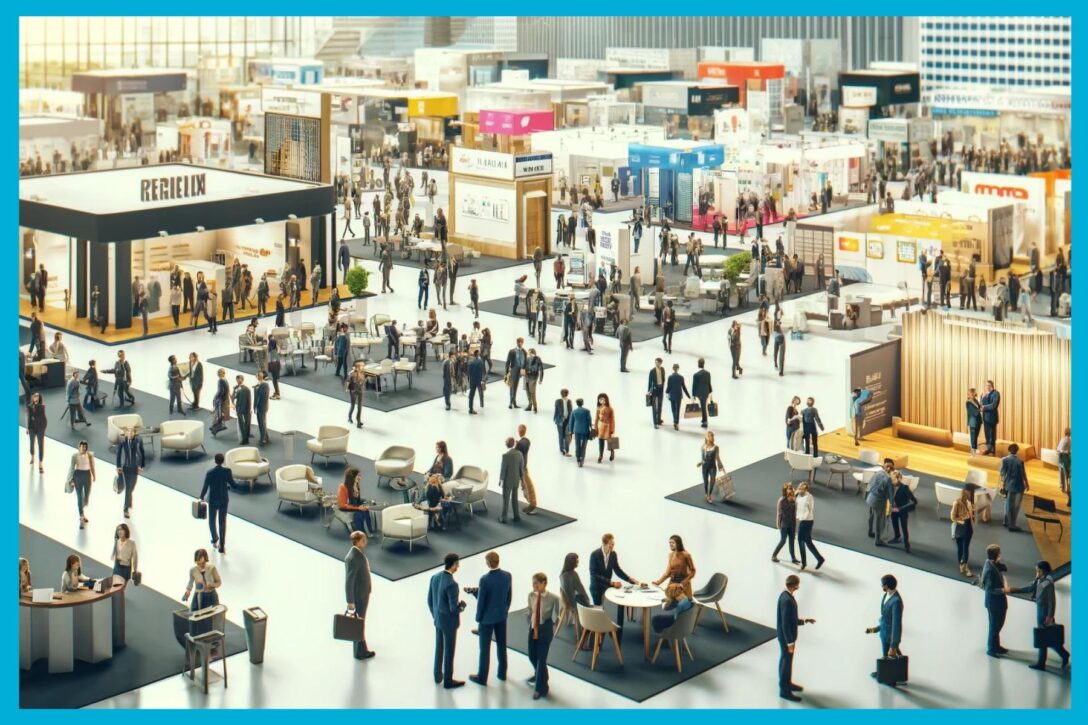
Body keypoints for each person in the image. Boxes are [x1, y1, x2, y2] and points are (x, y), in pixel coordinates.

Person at [1009, 560, 1070, 671]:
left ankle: (1041, 663)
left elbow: (1052, 601)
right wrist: (1013, 590)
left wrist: (1050, 616)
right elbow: (1028, 588)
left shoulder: (1048, 583)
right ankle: (1063, 654)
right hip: (1040, 611)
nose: (1036, 573)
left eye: (1038, 571)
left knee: (1043, 637)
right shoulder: (1039, 580)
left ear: (1044, 571)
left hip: (1045, 614)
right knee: (1048, 637)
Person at [465, 551, 512, 686]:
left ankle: (482, 677)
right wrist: (505, 610)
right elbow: (509, 595)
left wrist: (478, 618)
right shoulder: (507, 576)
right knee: (502, 645)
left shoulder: (484, 580)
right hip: (501, 616)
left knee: (484, 649)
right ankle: (502, 673)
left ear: (487, 563)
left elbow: (481, 602)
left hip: (486, 619)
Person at [428, 553, 466, 689]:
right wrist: (461, 606)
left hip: (438, 620)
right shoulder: (452, 584)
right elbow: (453, 609)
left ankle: (437, 675)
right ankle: (448, 680)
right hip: (449, 623)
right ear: (454, 564)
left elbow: (430, 601)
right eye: (458, 564)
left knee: (439, 647)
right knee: (449, 651)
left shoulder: (435, 577)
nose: (458, 567)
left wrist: (435, 615)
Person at [589, 533, 639, 634]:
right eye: (610, 544)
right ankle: (595, 635)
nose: (612, 546)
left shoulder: (613, 554)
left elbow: (617, 569)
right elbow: (594, 574)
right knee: (598, 611)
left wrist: (629, 579)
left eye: (613, 544)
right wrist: (611, 583)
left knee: (607, 609)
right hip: (596, 587)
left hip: (607, 586)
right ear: (604, 543)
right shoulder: (594, 554)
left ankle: (613, 631)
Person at [777, 574, 815, 701]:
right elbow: (785, 624)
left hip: (787, 638)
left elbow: (790, 619)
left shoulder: (785, 596)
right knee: (786, 662)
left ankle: (787, 683)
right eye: (798, 583)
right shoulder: (787, 600)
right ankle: (784, 690)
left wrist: (805, 621)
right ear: (795, 585)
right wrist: (790, 642)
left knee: (786, 661)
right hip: (787, 639)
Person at [525, 572, 560, 700]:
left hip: (545, 630)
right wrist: (530, 622)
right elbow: (529, 610)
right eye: (533, 583)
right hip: (533, 628)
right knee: (531, 655)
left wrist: (551, 624)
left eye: (536, 583)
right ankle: (542, 675)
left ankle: (540, 688)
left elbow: (557, 616)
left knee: (541, 659)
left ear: (544, 583)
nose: (534, 585)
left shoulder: (553, 598)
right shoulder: (531, 595)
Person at [864, 574, 904, 679]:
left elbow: (896, 624)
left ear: (886, 586)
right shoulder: (886, 595)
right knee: (885, 656)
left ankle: (891, 677)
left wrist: (894, 645)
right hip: (884, 632)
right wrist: (875, 629)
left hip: (890, 636)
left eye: (882, 584)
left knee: (891, 657)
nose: (881, 586)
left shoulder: (896, 602)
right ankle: (883, 672)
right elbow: (885, 618)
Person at [344, 531, 375, 659]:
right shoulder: (353, 558)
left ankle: (361, 649)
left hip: (362, 593)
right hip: (359, 596)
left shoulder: (357, 553)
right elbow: (349, 581)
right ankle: (359, 651)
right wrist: (350, 601)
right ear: (357, 541)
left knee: (360, 622)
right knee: (359, 623)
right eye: (363, 540)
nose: (365, 542)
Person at [200, 453, 235, 554]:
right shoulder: (227, 471)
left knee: (211, 520)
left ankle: (215, 539)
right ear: (223, 461)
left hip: (212, 499)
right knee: (222, 522)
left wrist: (201, 496)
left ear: (215, 461)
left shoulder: (210, 472)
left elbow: (205, 487)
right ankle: (222, 546)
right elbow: (232, 484)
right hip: (224, 499)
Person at [981, 544, 1010, 657]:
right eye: (999, 553)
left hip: (997, 601)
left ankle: (996, 646)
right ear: (996, 555)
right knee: (995, 625)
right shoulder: (989, 570)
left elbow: (1003, 567)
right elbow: (990, 589)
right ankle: (991, 648)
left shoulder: (992, 564)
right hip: (994, 602)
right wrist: (1004, 590)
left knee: (996, 625)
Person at [651, 535, 696, 599]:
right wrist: (658, 582)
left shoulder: (686, 555)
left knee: (682, 605)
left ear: (678, 543)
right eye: (669, 543)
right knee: (669, 604)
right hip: (672, 584)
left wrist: (683, 583)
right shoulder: (671, 555)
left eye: (673, 542)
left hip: (683, 585)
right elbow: (667, 573)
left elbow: (693, 571)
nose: (670, 544)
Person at [65, 441, 96, 529]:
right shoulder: (74, 456)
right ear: (79, 447)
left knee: (86, 497)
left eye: (84, 447)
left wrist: (94, 475)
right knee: (79, 497)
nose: (83, 448)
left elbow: (92, 466)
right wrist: (71, 479)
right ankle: (81, 516)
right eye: (81, 446)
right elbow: (71, 468)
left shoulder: (89, 455)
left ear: (86, 448)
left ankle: (82, 509)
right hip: (78, 475)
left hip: (87, 475)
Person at [794, 482, 825, 570]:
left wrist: (802, 518)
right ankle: (820, 559)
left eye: (802, 488)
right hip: (802, 520)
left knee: (800, 541)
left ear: (806, 489)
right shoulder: (798, 495)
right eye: (799, 488)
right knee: (808, 542)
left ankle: (804, 563)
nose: (800, 490)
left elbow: (810, 510)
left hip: (807, 521)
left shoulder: (809, 497)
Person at [115, 427, 144, 519]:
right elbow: (118, 455)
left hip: (134, 468)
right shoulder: (122, 442)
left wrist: (140, 466)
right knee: (128, 488)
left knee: (132, 487)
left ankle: (127, 502)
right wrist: (118, 466)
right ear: (126, 433)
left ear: (134, 433)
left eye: (132, 431)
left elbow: (141, 454)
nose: (130, 433)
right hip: (126, 468)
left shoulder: (137, 442)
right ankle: (126, 508)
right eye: (129, 431)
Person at [1000, 444, 1029, 531]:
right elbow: (1023, 474)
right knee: (1016, 507)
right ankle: (1012, 524)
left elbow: (1002, 474)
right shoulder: (1020, 461)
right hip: (1019, 486)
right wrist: (1027, 483)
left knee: (1008, 505)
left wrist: (1004, 484)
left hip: (1009, 485)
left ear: (1008, 451)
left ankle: (1007, 522)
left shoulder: (1004, 460)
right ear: (1017, 451)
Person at [866, 459, 895, 546]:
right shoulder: (889, 479)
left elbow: (870, 483)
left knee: (871, 516)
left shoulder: (877, 473)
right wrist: (892, 506)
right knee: (880, 521)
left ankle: (870, 531)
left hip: (870, 498)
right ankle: (878, 541)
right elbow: (891, 495)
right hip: (879, 502)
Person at [339, 468, 375, 536]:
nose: (360, 478)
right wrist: (358, 508)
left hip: (353, 504)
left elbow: (357, 499)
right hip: (345, 508)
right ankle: (361, 533)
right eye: (358, 476)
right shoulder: (343, 487)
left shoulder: (356, 484)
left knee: (366, 509)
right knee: (359, 514)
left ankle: (369, 530)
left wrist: (366, 503)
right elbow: (343, 505)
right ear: (352, 476)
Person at [771, 483, 800, 563]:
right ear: (785, 490)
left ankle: (793, 558)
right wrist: (793, 502)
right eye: (789, 488)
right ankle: (774, 555)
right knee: (783, 541)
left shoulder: (793, 498)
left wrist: (794, 501)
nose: (790, 490)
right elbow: (782, 512)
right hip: (784, 524)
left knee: (792, 541)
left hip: (792, 524)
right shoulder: (782, 500)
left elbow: (795, 512)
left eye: (791, 488)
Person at [498, 437, 525, 524]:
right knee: (514, 499)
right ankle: (516, 516)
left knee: (506, 499)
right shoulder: (520, 454)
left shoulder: (505, 456)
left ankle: (504, 517)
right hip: (516, 480)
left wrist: (500, 480)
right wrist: (522, 480)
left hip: (507, 481)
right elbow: (521, 469)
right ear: (514, 443)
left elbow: (503, 470)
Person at [889, 472, 917, 553]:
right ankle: (896, 537)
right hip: (893, 510)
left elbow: (914, 502)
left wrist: (899, 509)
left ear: (899, 479)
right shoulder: (890, 486)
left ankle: (906, 545)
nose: (891, 481)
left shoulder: (905, 488)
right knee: (895, 524)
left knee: (904, 528)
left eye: (893, 480)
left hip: (902, 511)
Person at [26, 392, 46, 474]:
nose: (36, 397)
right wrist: (27, 428)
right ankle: (32, 457)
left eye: (37, 395)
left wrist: (44, 427)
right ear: (32, 397)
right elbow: (28, 417)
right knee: (32, 443)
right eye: (34, 395)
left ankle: (40, 464)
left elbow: (42, 416)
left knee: (41, 445)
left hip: (41, 427)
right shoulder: (29, 406)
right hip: (32, 428)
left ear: (39, 397)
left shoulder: (42, 406)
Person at [690, 358, 713, 429]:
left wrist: (693, 395)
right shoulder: (708, 373)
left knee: (703, 406)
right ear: (704, 364)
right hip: (706, 392)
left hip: (699, 393)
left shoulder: (696, 375)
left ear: (698, 364)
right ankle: (703, 419)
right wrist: (710, 392)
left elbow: (694, 385)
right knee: (703, 406)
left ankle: (705, 422)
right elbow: (709, 383)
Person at [504, 338, 527, 409]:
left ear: (523, 343)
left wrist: (524, 369)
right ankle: (511, 402)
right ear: (517, 342)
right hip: (513, 370)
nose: (520, 343)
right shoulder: (512, 351)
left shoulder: (524, 351)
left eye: (521, 342)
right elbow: (507, 362)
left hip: (520, 371)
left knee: (515, 387)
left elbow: (525, 361)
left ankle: (514, 402)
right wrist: (506, 372)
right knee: (512, 386)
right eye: (519, 342)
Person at [980, 380, 1001, 456]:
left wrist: (984, 407)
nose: (987, 386)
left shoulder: (996, 393)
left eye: (988, 385)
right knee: (987, 435)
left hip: (992, 418)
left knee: (992, 435)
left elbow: (994, 405)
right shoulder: (984, 394)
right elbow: (981, 405)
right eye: (986, 385)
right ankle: (988, 449)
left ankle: (992, 450)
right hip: (985, 417)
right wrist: (982, 397)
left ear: (992, 385)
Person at [570, 398, 593, 467]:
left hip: (577, 430)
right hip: (585, 430)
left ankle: (578, 459)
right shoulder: (587, 411)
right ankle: (582, 460)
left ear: (577, 403)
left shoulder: (574, 411)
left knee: (577, 445)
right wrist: (591, 428)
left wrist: (571, 431)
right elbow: (590, 421)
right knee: (584, 446)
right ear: (582, 403)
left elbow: (571, 422)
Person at [594, 393, 616, 464]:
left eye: (602, 399)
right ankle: (600, 455)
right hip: (601, 426)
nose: (601, 401)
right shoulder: (598, 408)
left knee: (610, 441)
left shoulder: (610, 408)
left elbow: (612, 419)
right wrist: (595, 427)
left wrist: (612, 429)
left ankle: (612, 451)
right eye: (600, 399)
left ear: (606, 399)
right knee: (601, 442)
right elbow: (596, 418)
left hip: (608, 426)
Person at [232, 375, 252, 445]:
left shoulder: (247, 389)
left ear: (242, 380)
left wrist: (249, 410)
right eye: (237, 379)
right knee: (241, 425)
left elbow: (249, 400)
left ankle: (245, 439)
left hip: (245, 409)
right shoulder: (235, 388)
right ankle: (244, 439)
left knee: (245, 424)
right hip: (239, 409)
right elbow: (233, 397)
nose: (238, 381)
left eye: (239, 379)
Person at [524, 348, 544, 413]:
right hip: (526, 377)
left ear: (531, 352)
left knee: (532, 392)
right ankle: (530, 405)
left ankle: (535, 407)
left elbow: (541, 369)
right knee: (527, 391)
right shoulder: (527, 358)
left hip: (533, 378)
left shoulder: (537, 359)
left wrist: (540, 379)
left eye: (528, 352)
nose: (528, 353)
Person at [648, 358, 666, 429]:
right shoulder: (652, 371)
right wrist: (649, 390)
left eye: (658, 362)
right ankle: (655, 423)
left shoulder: (663, 369)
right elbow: (649, 381)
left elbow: (663, 378)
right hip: (654, 390)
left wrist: (662, 385)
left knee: (660, 405)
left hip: (660, 389)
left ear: (661, 363)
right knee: (654, 407)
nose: (657, 363)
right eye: (656, 362)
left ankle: (659, 420)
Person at [347, 361, 365, 427]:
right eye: (362, 366)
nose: (363, 367)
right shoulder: (352, 374)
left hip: (360, 390)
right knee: (353, 406)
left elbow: (363, 381)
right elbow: (348, 382)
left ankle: (358, 421)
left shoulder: (362, 373)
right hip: (353, 391)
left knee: (360, 407)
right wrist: (347, 388)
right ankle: (349, 417)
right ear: (358, 367)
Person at [966, 388, 982, 455]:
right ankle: (973, 452)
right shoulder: (968, 402)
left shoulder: (976, 400)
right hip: (973, 422)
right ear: (968, 394)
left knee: (976, 436)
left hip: (978, 421)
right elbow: (973, 411)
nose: (972, 394)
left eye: (973, 393)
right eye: (971, 393)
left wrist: (981, 399)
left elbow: (980, 406)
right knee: (973, 437)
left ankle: (974, 449)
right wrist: (980, 410)